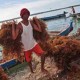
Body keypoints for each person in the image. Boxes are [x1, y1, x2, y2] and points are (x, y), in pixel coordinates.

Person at [12, 8, 48, 73]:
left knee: (43, 54)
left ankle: (42, 68)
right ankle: (31, 71)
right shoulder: (19, 25)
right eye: (24, 14)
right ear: (22, 16)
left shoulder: (31, 23)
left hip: (33, 44)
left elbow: (39, 30)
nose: (26, 16)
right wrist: (13, 26)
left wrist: (36, 21)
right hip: (26, 47)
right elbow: (14, 37)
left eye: (27, 14)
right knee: (29, 61)